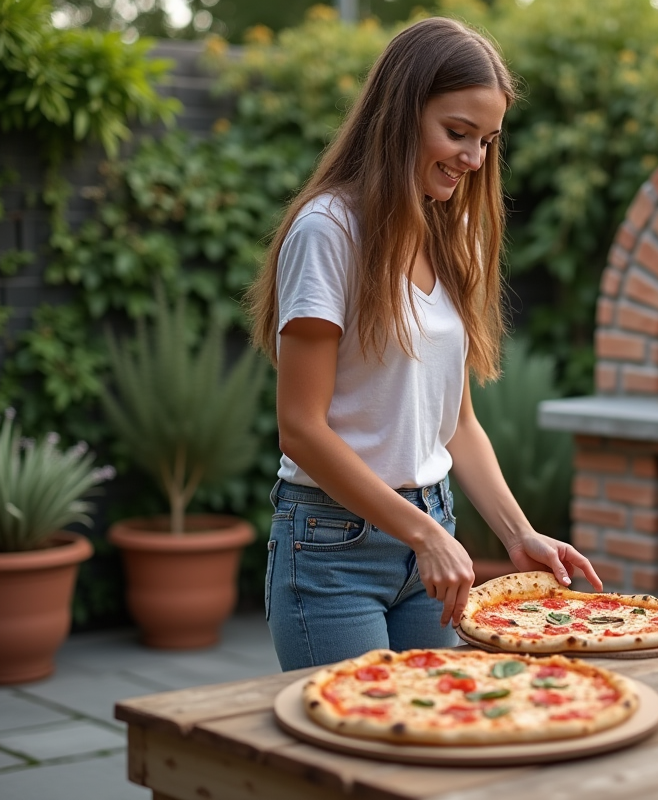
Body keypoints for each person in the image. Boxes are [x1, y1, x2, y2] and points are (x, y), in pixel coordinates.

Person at [245, 17, 603, 671]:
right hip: (333, 546)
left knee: (433, 748)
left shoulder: (451, 230)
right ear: (399, 114)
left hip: (432, 537)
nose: (473, 159)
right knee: (357, 747)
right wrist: (421, 532)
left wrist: (518, 534)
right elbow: (300, 429)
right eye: (457, 133)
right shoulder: (329, 231)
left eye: (488, 141)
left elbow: (457, 423)